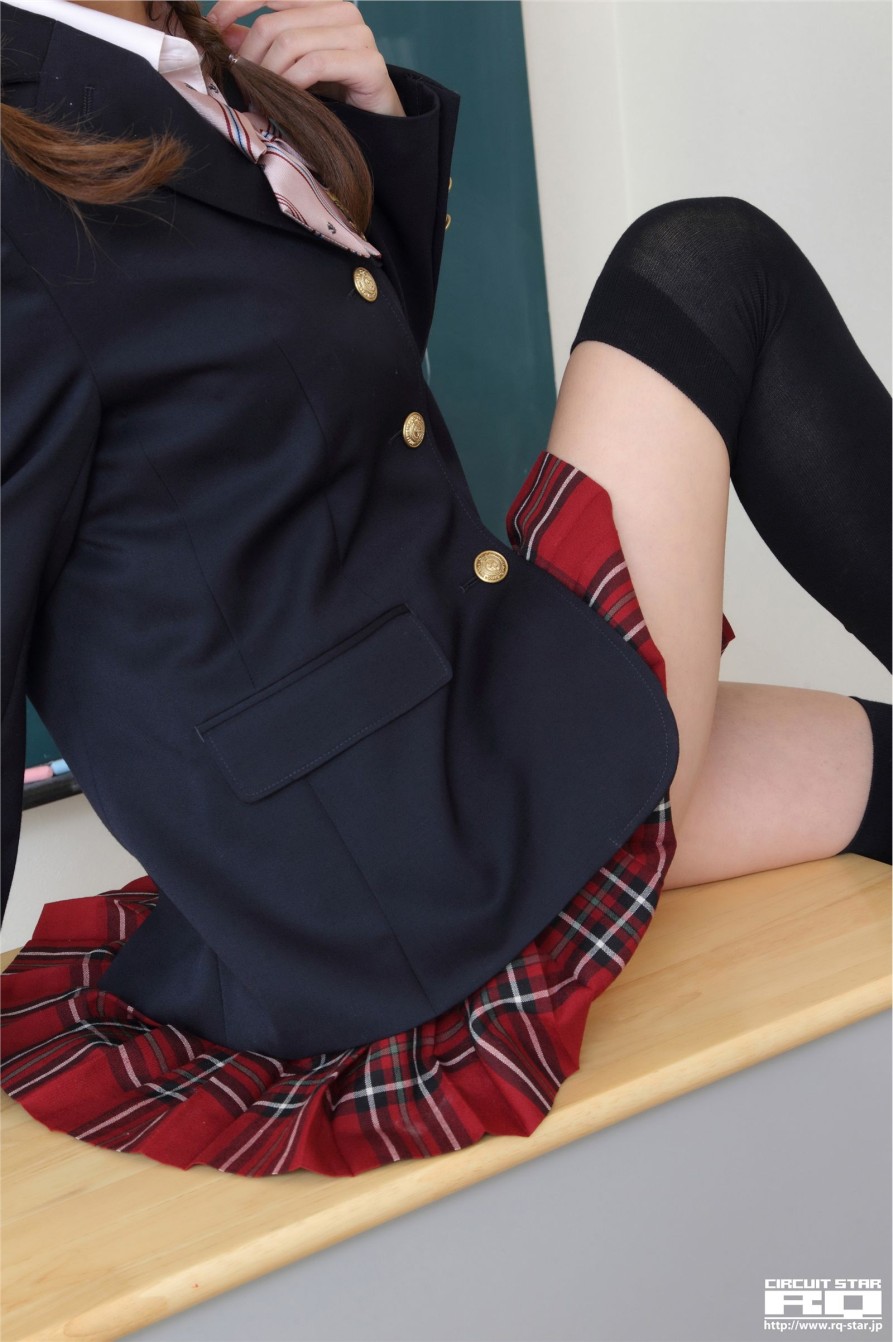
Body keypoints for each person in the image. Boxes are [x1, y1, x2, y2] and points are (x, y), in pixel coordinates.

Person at [0, 0, 889, 1179]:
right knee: (707, 260)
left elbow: (307, 424)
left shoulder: (177, 61)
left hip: (445, 697)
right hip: (390, 829)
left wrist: (364, 127)